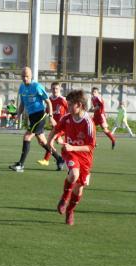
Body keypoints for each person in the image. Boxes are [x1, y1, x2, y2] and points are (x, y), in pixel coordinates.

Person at [48, 89, 96, 226]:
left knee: (79, 188)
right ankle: (64, 199)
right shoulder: (67, 118)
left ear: (79, 105)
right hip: (70, 153)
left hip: (85, 157)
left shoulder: (88, 123)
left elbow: (90, 147)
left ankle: (70, 210)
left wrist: (73, 147)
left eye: (70, 105)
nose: (67, 108)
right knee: (74, 174)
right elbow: (56, 129)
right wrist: (50, 140)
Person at [9, 67, 64, 172]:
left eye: (27, 76)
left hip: (40, 116)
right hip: (31, 116)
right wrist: (18, 115)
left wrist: (51, 117)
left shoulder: (37, 86)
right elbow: (22, 104)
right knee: (43, 142)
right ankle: (60, 159)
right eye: (23, 76)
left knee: (27, 136)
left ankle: (21, 165)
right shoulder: (22, 87)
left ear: (31, 76)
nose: (25, 78)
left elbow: (48, 102)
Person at [37, 82, 68, 166]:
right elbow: (47, 111)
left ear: (60, 89)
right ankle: (61, 159)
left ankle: (46, 160)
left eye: (56, 88)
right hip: (55, 127)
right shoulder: (49, 99)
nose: (55, 90)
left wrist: (68, 121)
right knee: (57, 141)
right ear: (51, 89)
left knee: (50, 141)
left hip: (62, 126)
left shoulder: (62, 100)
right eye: (53, 88)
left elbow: (70, 110)